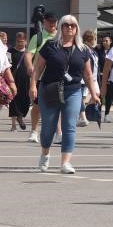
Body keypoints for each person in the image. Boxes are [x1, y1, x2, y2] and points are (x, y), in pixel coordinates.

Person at [28, 15, 101, 173]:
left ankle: (65, 163)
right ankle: (45, 153)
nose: (69, 28)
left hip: (73, 90)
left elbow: (88, 74)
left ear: (77, 29)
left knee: (69, 127)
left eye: (73, 25)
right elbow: (38, 67)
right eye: (66, 25)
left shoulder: (83, 49)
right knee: (48, 127)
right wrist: (33, 85)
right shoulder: (50, 45)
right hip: (50, 89)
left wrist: (94, 94)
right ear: (60, 27)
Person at [24, 12, 58, 143]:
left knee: (57, 106)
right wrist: (29, 67)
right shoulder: (37, 37)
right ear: (44, 22)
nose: (52, 24)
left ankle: (58, 133)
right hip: (39, 77)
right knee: (37, 106)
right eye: (50, 21)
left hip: (56, 77)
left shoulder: (60, 37)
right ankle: (33, 131)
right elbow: (28, 55)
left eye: (54, 21)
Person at [77, 30, 99, 128]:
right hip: (83, 78)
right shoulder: (83, 49)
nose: (94, 41)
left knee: (96, 94)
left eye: (94, 39)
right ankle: (83, 117)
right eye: (92, 39)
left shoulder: (93, 51)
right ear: (87, 40)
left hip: (93, 79)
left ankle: (83, 111)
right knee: (80, 98)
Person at [8, 31, 28, 131]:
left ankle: (20, 117)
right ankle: (13, 125)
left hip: (25, 81)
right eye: (18, 41)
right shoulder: (10, 51)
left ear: (26, 41)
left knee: (25, 101)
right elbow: (7, 65)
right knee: (13, 101)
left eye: (22, 41)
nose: (20, 43)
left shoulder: (28, 52)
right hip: (13, 80)